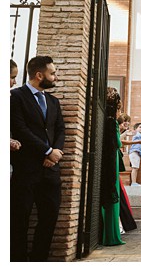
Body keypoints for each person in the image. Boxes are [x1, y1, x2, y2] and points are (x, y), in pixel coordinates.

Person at [11, 56, 66, 260]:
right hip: (26, 170)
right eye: (52, 73)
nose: (56, 77)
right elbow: (20, 129)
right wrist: (45, 151)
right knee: (20, 219)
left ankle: (39, 260)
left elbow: (60, 129)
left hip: (51, 171)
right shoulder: (16, 96)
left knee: (49, 218)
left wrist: (54, 153)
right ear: (39, 75)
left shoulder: (53, 101)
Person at [100, 87, 125, 245]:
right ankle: (111, 235)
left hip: (106, 159)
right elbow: (118, 142)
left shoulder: (102, 120)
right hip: (112, 160)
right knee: (111, 194)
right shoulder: (112, 123)